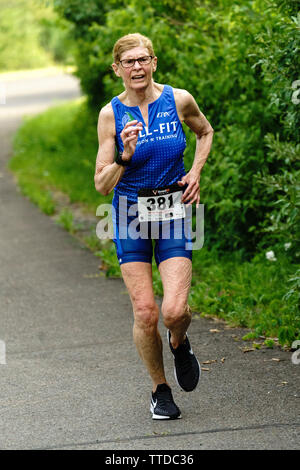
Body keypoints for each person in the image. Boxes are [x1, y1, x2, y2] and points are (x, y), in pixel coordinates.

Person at [94, 33, 214, 420]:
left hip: (177, 209)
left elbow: (205, 131)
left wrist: (195, 171)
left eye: (143, 59)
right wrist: (125, 156)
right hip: (129, 212)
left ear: (154, 62)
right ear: (117, 70)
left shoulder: (178, 99)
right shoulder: (111, 114)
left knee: (174, 310)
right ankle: (160, 390)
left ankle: (179, 342)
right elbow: (101, 183)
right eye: (128, 62)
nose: (137, 68)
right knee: (146, 311)